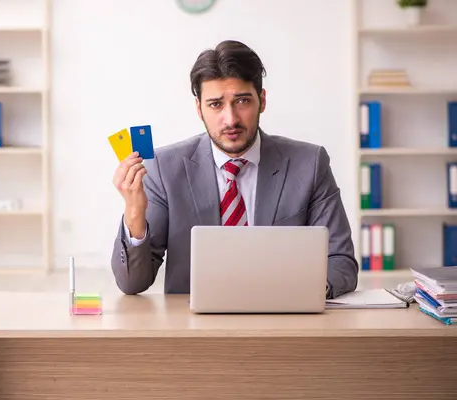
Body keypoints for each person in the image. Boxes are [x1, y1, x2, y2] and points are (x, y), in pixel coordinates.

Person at [110, 39, 358, 299]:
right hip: (191, 329)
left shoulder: (310, 163)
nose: (230, 119)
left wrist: (299, 293)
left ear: (261, 100)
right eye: (215, 104)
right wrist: (135, 211)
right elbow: (132, 284)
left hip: (284, 322)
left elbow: (341, 261)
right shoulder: (163, 168)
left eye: (242, 101)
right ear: (199, 109)